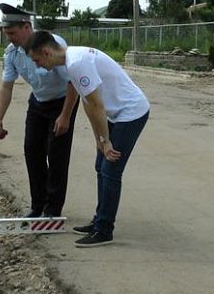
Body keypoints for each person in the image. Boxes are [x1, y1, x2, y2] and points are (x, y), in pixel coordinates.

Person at [28, 30, 150, 247]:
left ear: (46, 52)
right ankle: (98, 221)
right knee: (100, 165)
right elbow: (87, 103)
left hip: (131, 112)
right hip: (115, 114)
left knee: (111, 169)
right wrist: (98, 139)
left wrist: (106, 141)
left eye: (37, 60)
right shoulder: (71, 63)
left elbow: (96, 105)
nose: (38, 66)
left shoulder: (76, 63)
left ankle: (104, 230)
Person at [0, 3, 79, 218]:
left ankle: (52, 210)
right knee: (32, 151)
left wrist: (65, 116)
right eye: (6, 33)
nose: (9, 38)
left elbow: (73, 82)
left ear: (26, 27)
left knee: (56, 155)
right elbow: (6, 86)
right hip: (38, 102)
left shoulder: (52, 45)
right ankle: (37, 205)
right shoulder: (11, 54)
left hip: (62, 101)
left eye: (12, 33)